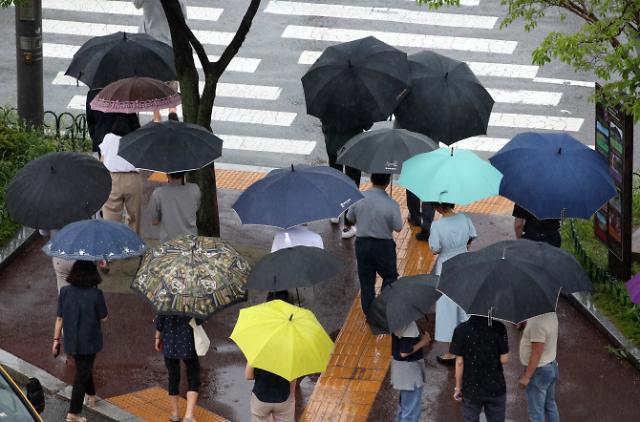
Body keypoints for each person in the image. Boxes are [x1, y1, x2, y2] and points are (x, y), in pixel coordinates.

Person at [52, 261, 108, 422]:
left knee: (84, 368)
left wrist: (56, 340)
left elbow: (59, 318)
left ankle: (91, 395)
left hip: (71, 341)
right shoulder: (96, 294)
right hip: (90, 341)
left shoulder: (64, 291)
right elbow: (104, 317)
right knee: (81, 375)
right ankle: (73, 413)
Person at [345, 173, 402, 314]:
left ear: (371, 180)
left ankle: (370, 313)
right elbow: (399, 227)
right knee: (390, 276)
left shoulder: (359, 198)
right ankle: (384, 307)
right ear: (388, 182)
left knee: (366, 280)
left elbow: (349, 218)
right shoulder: (391, 204)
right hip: (384, 247)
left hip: (362, 245)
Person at [428, 202, 477, 364]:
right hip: (465, 261)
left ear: (438, 207)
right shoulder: (464, 217)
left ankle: (452, 352)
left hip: (446, 266)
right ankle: (469, 344)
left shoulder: (437, 225)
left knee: (448, 308)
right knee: (465, 304)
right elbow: (472, 236)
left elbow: (434, 248)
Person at [450, 316, 509, 422]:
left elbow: (459, 362)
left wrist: (458, 388)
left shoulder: (461, 329)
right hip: (495, 385)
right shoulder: (499, 327)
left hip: (471, 387)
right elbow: (504, 359)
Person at [321, 118, 372, 239]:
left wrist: (327, 130)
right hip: (353, 144)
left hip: (333, 141)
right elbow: (367, 124)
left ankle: (335, 212)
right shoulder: (358, 100)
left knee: (335, 174)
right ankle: (348, 224)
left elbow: (324, 119)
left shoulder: (328, 98)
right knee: (352, 180)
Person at [100, 115, 143, 234]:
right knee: (135, 218)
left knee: (110, 220)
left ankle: (113, 248)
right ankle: (134, 248)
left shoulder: (108, 138)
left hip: (112, 179)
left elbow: (102, 160)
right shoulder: (138, 138)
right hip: (133, 179)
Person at [155, 315, 203, 422]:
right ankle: (189, 415)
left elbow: (159, 323)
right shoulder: (193, 302)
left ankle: (175, 414)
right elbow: (199, 321)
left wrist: (157, 338)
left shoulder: (166, 301)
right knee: (193, 376)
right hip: (189, 344)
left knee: (173, 377)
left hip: (170, 345)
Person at [518, 312, 560, 422]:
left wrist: (527, 377)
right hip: (551, 366)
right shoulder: (551, 314)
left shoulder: (537, 322)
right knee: (550, 405)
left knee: (536, 413)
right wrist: (525, 325)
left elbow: (536, 353)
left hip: (539, 372)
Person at [391, 321, 430, 422]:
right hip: (410, 374)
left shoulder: (395, 320)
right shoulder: (408, 324)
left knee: (404, 408)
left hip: (400, 370)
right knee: (411, 413)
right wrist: (423, 342)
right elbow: (404, 352)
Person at [150, 171, 201, 243]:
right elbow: (196, 209)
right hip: (190, 241)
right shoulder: (195, 189)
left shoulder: (158, 193)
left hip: (168, 243)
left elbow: (155, 221)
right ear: (184, 173)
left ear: (167, 174)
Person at [86, 89, 140, 155]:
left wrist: (96, 137)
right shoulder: (124, 91)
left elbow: (90, 120)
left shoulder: (93, 93)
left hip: (101, 139)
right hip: (123, 140)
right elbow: (133, 121)